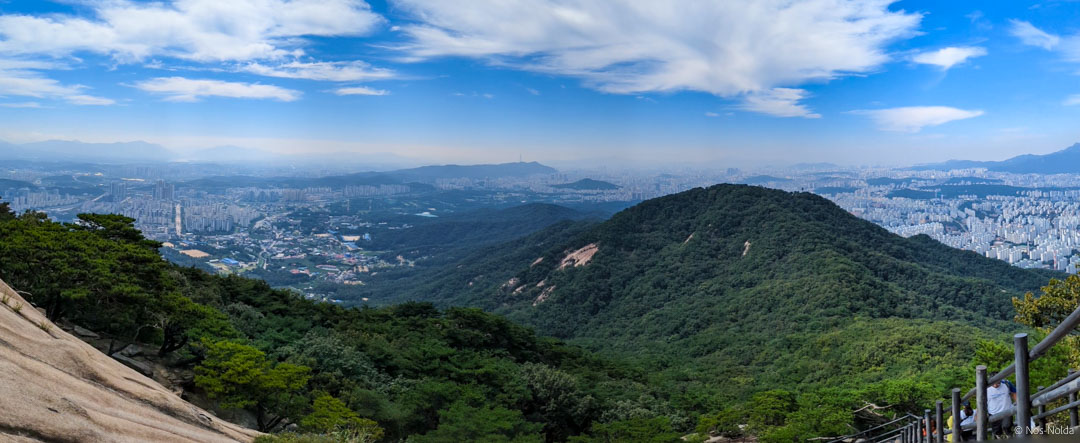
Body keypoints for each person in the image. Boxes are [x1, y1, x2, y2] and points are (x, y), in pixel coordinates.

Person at [987, 373, 1017, 437]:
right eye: (993, 383)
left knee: (1007, 426)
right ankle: (999, 437)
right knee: (997, 431)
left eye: (997, 383)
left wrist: (1017, 402)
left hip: (1007, 410)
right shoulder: (986, 388)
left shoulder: (1006, 383)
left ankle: (1010, 436)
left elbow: (1014, 392)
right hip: (993, 413)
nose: (995, 385)